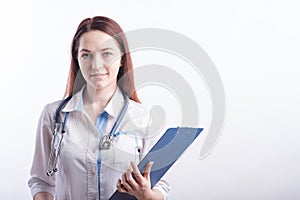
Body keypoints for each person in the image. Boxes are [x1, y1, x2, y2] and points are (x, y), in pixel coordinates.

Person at [28, 16, 170, 200]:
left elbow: (161, 185)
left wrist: (147, 195)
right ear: (77, 59)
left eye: (107, 54)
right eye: (86, 55)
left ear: (121, 59)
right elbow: (41, 182)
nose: (96, 65)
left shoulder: (143, 118)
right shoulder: (53, 115)